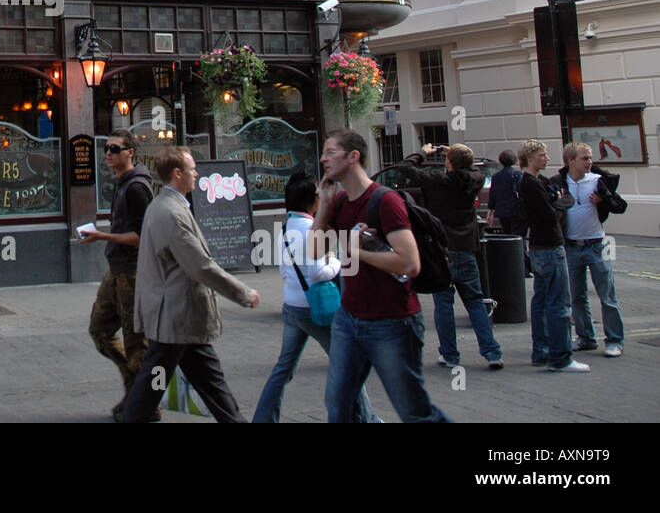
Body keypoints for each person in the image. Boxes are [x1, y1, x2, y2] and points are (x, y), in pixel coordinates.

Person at [310, 129, 450, 423]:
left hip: (392, 321)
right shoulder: (339, 202)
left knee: (414, 411)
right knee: (338, 406)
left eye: (331, 151)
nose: (323, 159)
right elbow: (313, 251)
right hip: (349, 319)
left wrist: (355, 253)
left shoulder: (385, 201)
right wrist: (323, 205)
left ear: (353, 156)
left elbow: (410, 264)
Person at [121, 147, 260, 423]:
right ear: (177, 173)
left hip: (177, 318)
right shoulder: (171, 213)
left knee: (206, 383)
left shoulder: (165, 206)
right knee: (153, 387)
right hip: (175, 316)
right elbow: (200, 266)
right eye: (192, 168)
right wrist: (243, 293)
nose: (196, 173)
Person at [252, 173, 378, 423]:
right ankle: (368, 419)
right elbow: (317, 272)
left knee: (283, 369)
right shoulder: (313, 229)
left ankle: (263, 418)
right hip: (315, 308)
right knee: (348, 365)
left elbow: (284, 270)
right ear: (312, 202)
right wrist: (335, 262)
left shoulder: (286, 228)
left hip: (292, 306)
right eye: (320, 196)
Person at [401, 143, 503, 369]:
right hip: (465, 248)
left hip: (442, 249)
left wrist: (424, 152)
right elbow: (472, 168)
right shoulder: (475, 180)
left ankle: (449, 353)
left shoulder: (439, 181)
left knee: (444, 303)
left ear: (449, 163)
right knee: (475, 301)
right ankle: (491, 351)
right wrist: (456, 153)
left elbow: (406, 167)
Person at [82, 129, 157, 421]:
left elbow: (143, 236)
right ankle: (137, 394)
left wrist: (101, 235)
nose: (108, 153)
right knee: (99, 331)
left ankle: (145, 404)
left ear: (130, 153)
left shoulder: (136, 188)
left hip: (134, 272)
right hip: (117, 270)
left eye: (115, 148)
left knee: (137, 342)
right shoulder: (123, 183)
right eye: (107, 148)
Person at [519, 139, 589, 373]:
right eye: (542, 155)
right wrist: (557, 201)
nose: (547, 159)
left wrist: (557, 200)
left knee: (541, 299)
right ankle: (560, 357)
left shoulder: (538, 181)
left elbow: (562, 199)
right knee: (558, 302)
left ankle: (542, 351)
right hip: (549, 246)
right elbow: (550, 212)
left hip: (541, 246)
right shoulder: (531, 183)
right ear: (530, 158)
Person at [556, 142, 626, 358]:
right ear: (571, 161)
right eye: (585, 158)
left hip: (597, 243)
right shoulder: (560, 183)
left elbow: (620, 206)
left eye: (590, 158)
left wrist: (603, 200)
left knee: (607, 296)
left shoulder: (598, 181)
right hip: (571, 246)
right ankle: (586, 337)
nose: (590, 162)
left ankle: (614, 340)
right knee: (577, 296)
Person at [486, 149, 529, 276]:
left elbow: (493, 194)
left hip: (503, 212)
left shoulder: (496, 177)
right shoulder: (517, 175)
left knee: (508, 237)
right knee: (519, 239)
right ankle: (523, 268)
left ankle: (511, 266)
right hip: (516, 212)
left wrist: (491, 210)